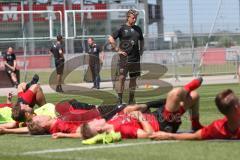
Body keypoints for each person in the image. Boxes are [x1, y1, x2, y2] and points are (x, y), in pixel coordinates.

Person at [80, 77, 204, 139]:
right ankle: (189, 86)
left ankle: (195, 124)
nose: (95, 119)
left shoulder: (112, 120)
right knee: (175, 94)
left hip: (157, 115)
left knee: (194, 96)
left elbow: (131, 114)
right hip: (163, 124)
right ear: (100, 130)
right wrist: (140, 116)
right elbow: (149, 134)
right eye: (94, 123)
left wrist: (134, 109)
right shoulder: (119, 130)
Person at [150, 89, 240, 140]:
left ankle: (195, 124)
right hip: (158, 120)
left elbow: (194, 136)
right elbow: (194, 136)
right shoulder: (217, 128)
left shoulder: (217, 127)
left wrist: (169, 136)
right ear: (236, 107)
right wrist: (168, 136)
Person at [108, 9, 144, 104]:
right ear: (128, 18)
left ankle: (131, 100)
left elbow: (142, 39)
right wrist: (117, 50)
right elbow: (111, 38)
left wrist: (142, 49)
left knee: (133, 80)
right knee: (122, 78)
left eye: (136, 17)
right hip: (125, 59)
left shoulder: (138, 29)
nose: (135, 19)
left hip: (135, 59)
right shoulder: (122, 28)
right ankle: (119, 100)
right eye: (133, 18)